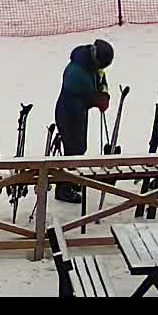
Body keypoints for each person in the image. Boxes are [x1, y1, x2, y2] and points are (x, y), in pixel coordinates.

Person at [53, 39, 113, 201]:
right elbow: (88, 96)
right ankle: (63, 189)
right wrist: (98, 100)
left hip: (79, 112)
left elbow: (101, 79)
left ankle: (71, 179)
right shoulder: (75, 72)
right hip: (68, 113)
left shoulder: (92, 66)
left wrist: (104, 93)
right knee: (72, 151)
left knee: (80, 148)